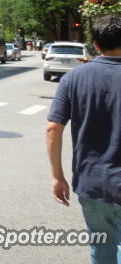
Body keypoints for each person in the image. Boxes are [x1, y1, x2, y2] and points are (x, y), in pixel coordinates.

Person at [46, 14, 121, 263]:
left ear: (96, 45)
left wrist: (57, 177)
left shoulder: (72, 79)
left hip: (92, 182)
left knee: (102, 247)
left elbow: (53, 129)